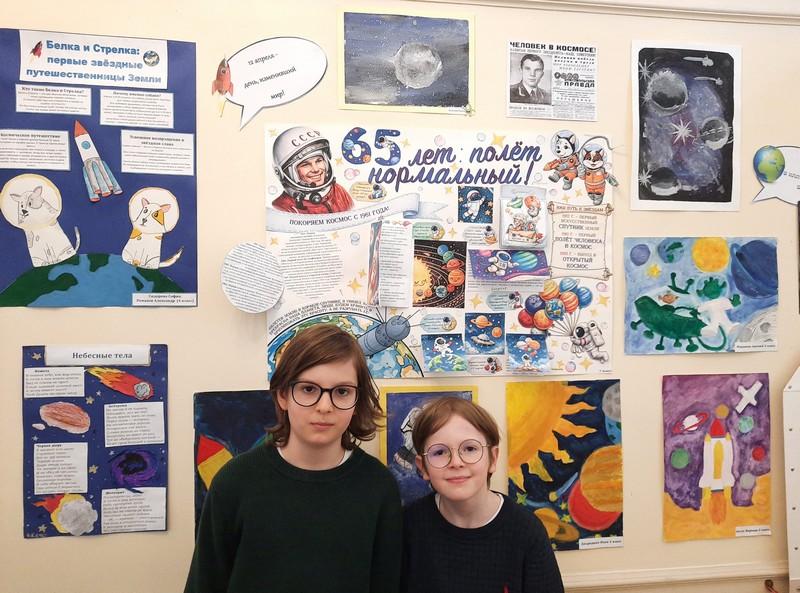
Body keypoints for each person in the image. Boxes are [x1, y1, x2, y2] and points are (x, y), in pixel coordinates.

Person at [185, 324, 402, 593]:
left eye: (342, 391)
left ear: (357, 401)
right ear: (283, 395)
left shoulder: (378, 487)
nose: (325, 406)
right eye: (309, 389)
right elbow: (205, 584)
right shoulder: (234, 482)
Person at [402, 397, 563, 593]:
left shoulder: (526, 530)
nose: (456, 462)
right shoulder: (408, 526)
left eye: (470, 449)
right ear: (423, 467)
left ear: (493, 459)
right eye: (439, 452)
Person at [271, 125, 355, 214]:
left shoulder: (338, 192)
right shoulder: (282, 208)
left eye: (319, 161)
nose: (316, 169)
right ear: (286, 173)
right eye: (305, 165)